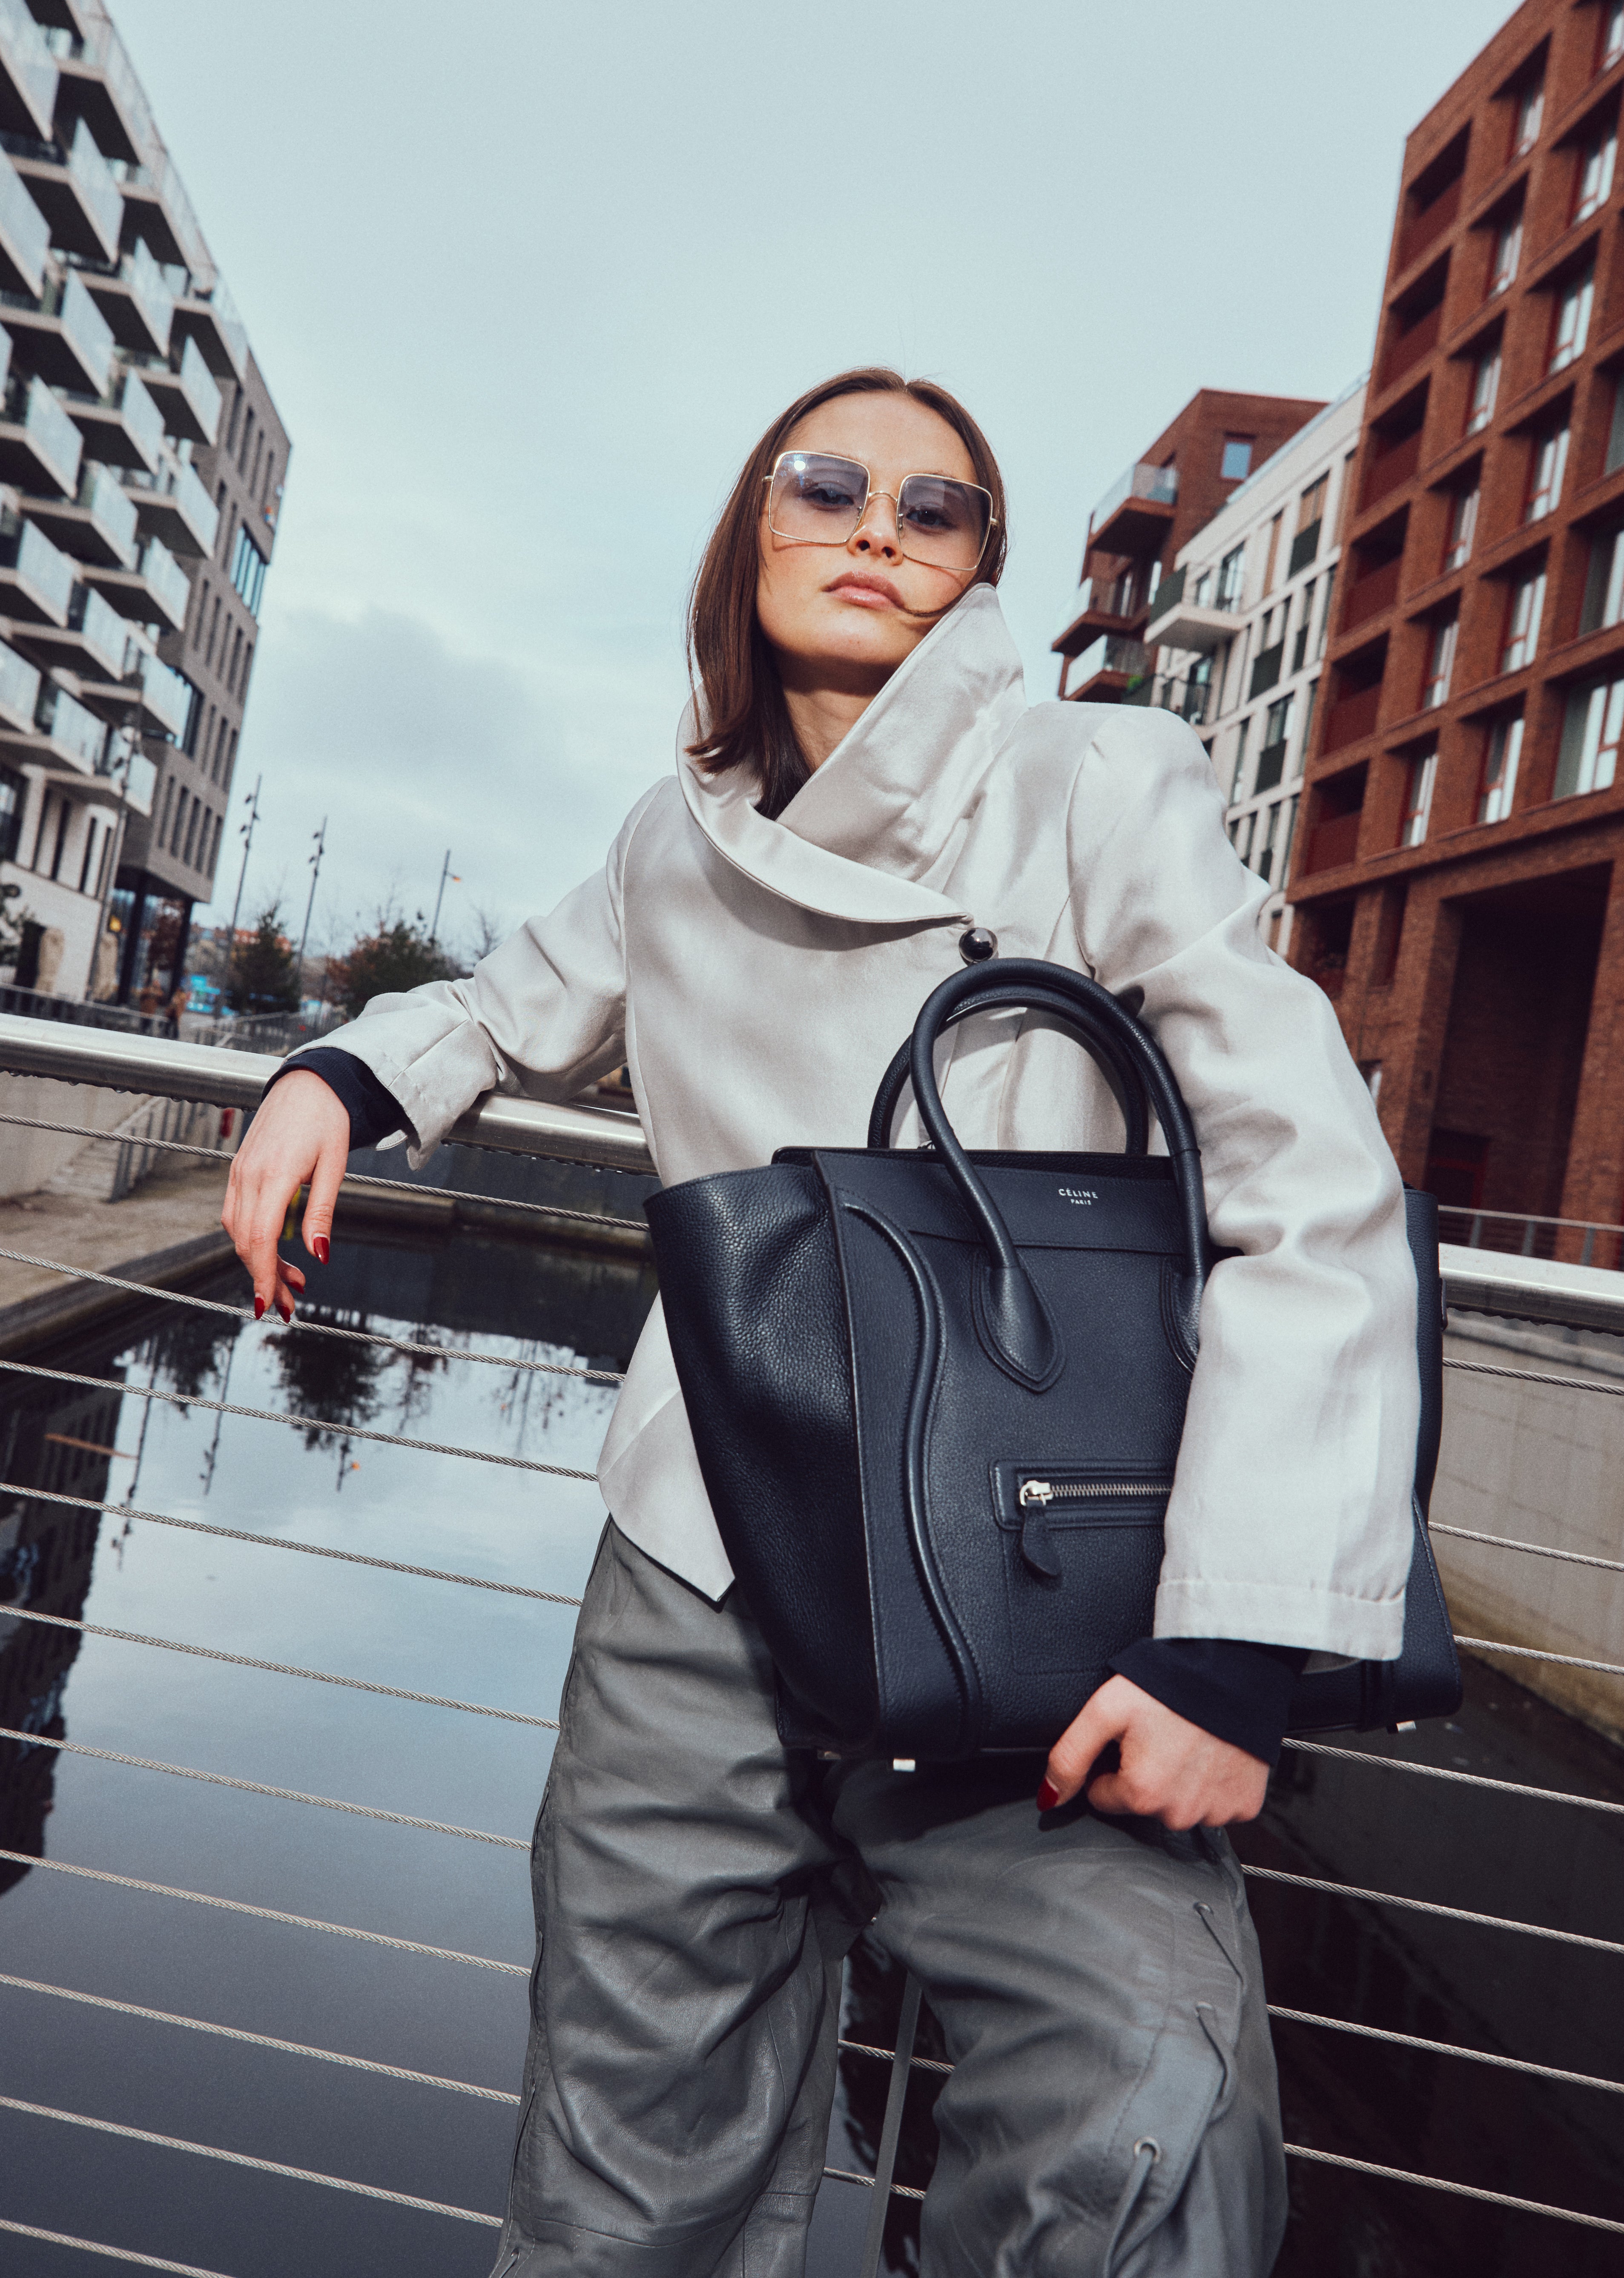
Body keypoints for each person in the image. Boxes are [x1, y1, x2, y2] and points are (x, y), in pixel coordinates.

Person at [223, 367, 1419, 2275]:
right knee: (630, 2152)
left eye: (935, 508)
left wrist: (1240, 1646)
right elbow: (507, 997)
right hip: (700, 1553)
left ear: (978, 575)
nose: (878, 523)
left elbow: (1315, 1184)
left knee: (1146, 2123)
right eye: (831, 480)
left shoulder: (1101, 782)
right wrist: (338, 1078)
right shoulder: (668, 835)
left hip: (1029, 1592)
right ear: (752, 528)